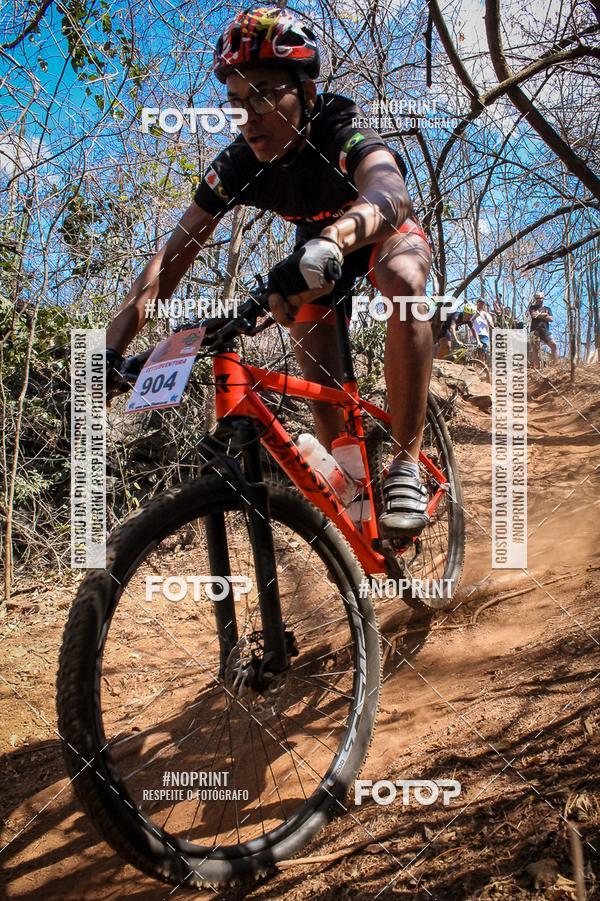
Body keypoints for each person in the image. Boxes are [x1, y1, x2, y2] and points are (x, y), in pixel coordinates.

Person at [104, 6, 433, 538]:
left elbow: (390, 193)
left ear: (304, 92)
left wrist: (335, 237)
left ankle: (405, 464)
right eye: (236, 101)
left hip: (373, 232)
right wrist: (111, 352)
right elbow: (168, 262)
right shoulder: (238, 164)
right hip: (314, 254)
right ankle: (361, 513)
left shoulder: (339, 130)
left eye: (262, 94)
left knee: (403, 282)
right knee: (317, 378)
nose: (248, 115)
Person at [528, 291, 558, 366]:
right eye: (536, 298)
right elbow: (533, 315)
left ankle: (556, 366)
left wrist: (540, 315)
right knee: (535, 349)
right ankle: (536, 368)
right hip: (534, 330)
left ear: (543, 298)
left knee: (554, 345)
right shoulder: (532, 307)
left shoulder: (547, 308)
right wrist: (544, 315)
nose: (538, 299)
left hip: (545, 330)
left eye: (539, 298)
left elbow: (551, 319)